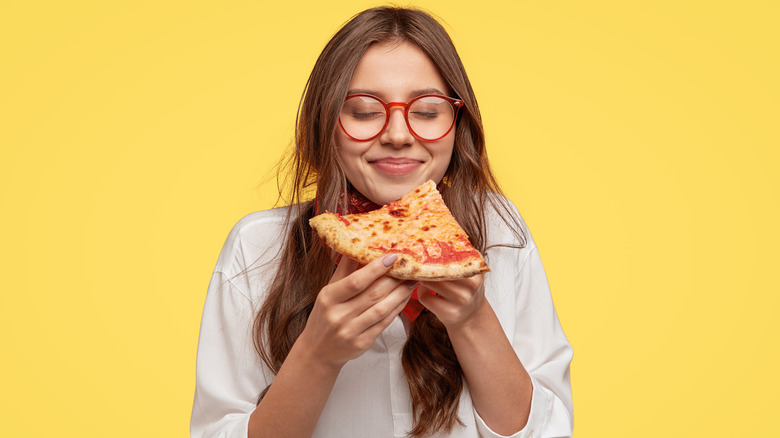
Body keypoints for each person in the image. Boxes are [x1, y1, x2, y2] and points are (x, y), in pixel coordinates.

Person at [191, 6, 573, 438]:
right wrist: (318, 354)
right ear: (326, 122)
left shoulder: (502, 232)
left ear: (456, 124)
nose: (397, 133)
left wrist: (472, 319)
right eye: (364, 111)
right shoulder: (257, 246)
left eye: (427, 112)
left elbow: (549, 432)